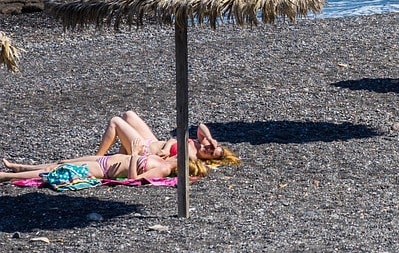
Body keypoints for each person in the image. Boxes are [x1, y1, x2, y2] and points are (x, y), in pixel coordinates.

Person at [93, 110, 239, 167]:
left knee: (115, 121)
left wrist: (168, 148)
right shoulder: (199, 143)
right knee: (128, 115)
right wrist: (209, 138)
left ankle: (98, 158)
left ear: (208, 159)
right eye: (211, 147)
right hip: (154, 142)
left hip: (145, 150)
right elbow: (200, 126)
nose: (208, 148)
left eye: (210, 152)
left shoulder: (193, 156)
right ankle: (121, 156)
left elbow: (178, 145)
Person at [1, 147, 203, 185]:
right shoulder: (163, 159)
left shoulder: (165, 169)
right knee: (61, 162)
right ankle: (20, 167)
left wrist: (133, 156)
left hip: (104, 170)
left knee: (54, 171)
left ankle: (5, 176)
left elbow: (133, 179)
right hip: (106, 160)